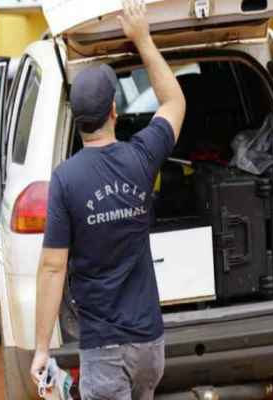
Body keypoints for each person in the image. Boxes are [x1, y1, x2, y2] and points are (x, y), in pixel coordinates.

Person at [30, 0, 186, 398]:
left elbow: (52, 268)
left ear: (78, 119)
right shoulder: (141, 156)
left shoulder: (65, 180)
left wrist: (42, 348)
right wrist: (144, 40)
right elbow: (174, 103)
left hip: (103, 346)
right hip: (149, 341)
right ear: (114, 111)